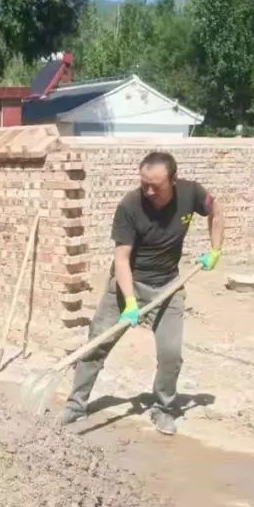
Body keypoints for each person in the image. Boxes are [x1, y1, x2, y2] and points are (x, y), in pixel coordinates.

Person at [60, 151, 223, 436]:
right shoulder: (130, 206)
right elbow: (122, 259)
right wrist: (130, 302)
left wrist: (215, 249)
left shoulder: (192, 193)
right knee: (97, 345)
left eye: (155, 186)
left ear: (173, 180)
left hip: (168, 286)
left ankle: (163, 408)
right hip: (128, 284)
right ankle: (76, 404)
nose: (148, 191)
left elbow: (216, 211)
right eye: (144, 183)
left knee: (171, 355)